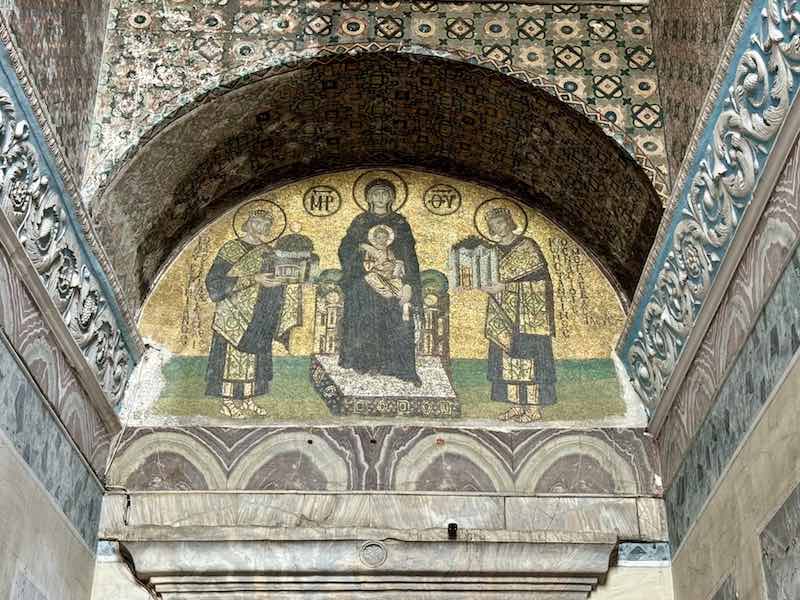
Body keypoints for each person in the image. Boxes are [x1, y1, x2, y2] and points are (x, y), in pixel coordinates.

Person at [205, 208, 300, 418]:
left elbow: (275, 278)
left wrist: (281, 283)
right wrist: (253, 279)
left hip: (260, 312)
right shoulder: (231, 249)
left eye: (266, 225)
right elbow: (214, 282)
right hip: (234, 313)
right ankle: (228, 401)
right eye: (257, 223)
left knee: (255, 358)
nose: (262, 228)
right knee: (232, 358)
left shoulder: (269, 251)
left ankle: (248, 399)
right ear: (247, 223)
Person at [338, 179, 422, 385]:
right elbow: (345, 249)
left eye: (385, 194)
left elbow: (409, 254)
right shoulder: (360, 221)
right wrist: (365, 248)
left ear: (392, 198)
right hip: (364, 283)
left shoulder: (400, 223)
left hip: (394, 281)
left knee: (396, 320)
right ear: (368, 198)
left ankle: (397, 367)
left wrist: (409, 282)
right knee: (365, 320)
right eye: (375, 194)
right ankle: (364, 364)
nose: (380, 198)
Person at [482, 206, 557, 422]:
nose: (498, 226)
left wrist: (505, 287)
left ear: (509, 221)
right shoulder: (492, 252)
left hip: (528, 315)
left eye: (501, 221)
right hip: (503, 312)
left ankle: (533, 408)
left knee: (530, 359)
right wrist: (487, 287)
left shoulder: (527, 246)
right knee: (508, 358)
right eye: (494, 224)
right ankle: (516, 405)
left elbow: (543, 281)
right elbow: (487, 278)